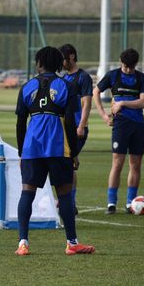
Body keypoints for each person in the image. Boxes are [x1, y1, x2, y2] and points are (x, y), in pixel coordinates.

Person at [15, 46, 95, 256]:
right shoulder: (66, 86)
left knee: (27, 193)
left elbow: (20, 123)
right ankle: (72, 242)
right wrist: (74, 151)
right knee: (65, 195)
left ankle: (23, 243)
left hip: (32, 147)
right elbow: (69, 121)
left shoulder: (26, 87)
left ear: (39, 63)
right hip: (58, 146)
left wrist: (22, 152)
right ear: (59, 64)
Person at [93, 48, 144, 214]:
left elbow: (143, 102)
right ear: (121, 62)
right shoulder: (113, 75)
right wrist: (104, 115)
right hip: (120, 125)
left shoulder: (142, 78)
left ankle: (130, 202)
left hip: (138, 124)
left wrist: (123, 103)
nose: (128, 70)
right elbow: (96, 91)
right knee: (117, 163)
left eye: (131, 67)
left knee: (136, 164)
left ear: (135, 65)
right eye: (125, 67)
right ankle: (111, 203)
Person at [59, 44, 93, 215]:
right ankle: (68, 202)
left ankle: (69, 203)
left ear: (71, 57)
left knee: (68, 164)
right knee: (68, 164)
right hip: (65, 128)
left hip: (77, 128)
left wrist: (82, 125)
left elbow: (87, 103)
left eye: (63, 59)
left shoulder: (83, 77)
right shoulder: (64, 79)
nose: (61, 63)